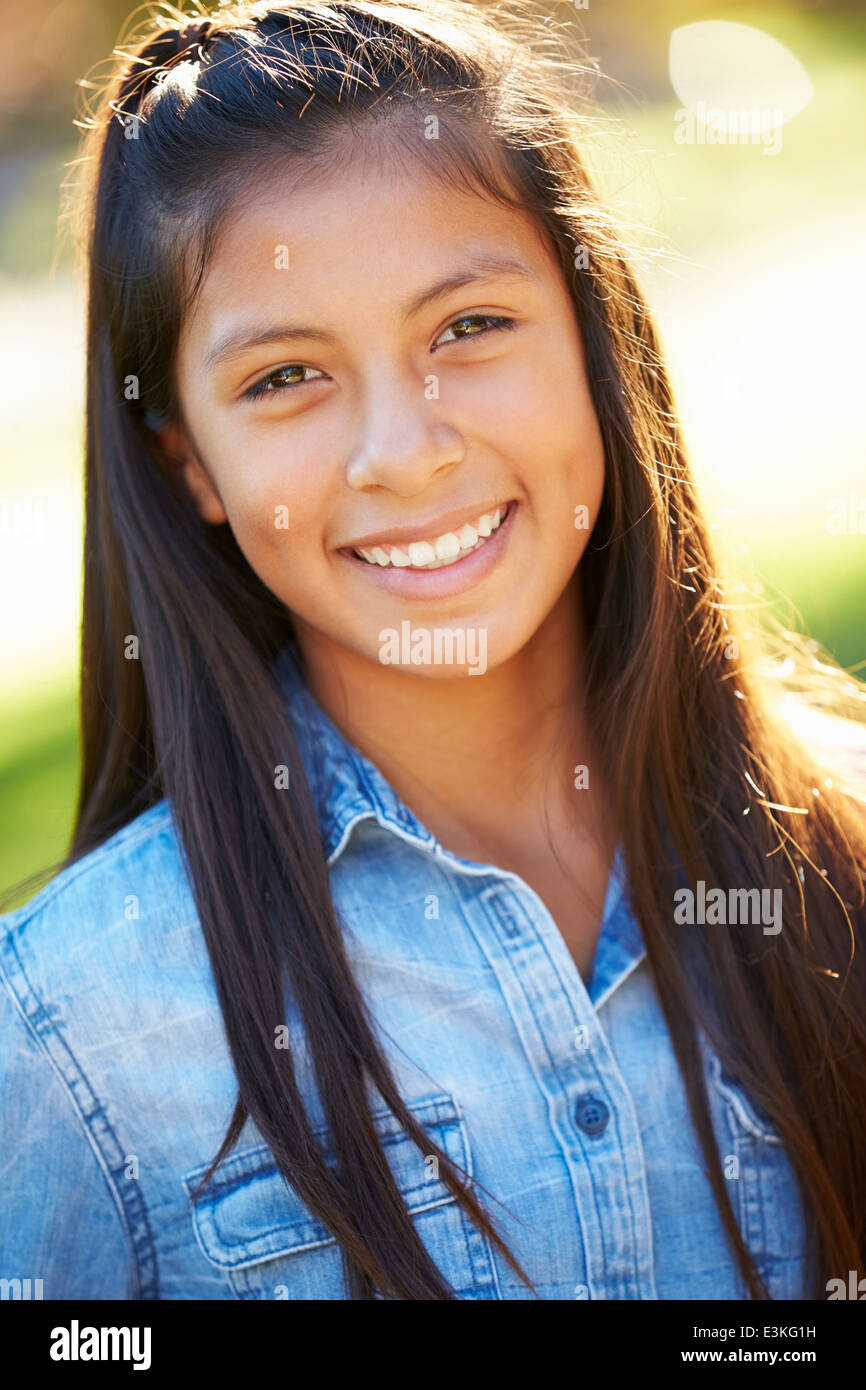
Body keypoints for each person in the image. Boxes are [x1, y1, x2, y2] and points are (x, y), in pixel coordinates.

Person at [1, 0, 865, 1301]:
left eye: (467, 327)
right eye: (284, 377)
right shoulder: (70, 1026)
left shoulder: (842, 855)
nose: (404, 449)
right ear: (192, 466)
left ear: (592, 336)